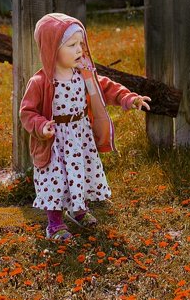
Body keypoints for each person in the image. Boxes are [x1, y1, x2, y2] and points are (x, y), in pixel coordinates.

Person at [19, 13, 151, 240]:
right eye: (71, 45)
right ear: (52, 49)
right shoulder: (40, 82)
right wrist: (41, 127)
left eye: (80, 43)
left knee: (80, 172)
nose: (79, 49)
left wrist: (129, 98)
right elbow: (27, 112)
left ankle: (79, 210)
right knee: (57, 180)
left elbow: (107, 88)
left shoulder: (83, 74)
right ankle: (55, 224)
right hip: (55, 141)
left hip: (80, 137)